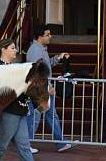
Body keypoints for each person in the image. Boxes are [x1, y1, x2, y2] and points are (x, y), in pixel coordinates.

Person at [0, 38, 55, 161]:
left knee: (23, 145)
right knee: (0, 146)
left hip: (20, 110)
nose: (15, 50)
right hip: (8, 112)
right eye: (12, 48)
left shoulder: (14, 67)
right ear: (3, 50)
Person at [26, 25, 72, 153]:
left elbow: (46, 67)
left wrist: (58, 58)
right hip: (40, 91)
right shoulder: (35, 50)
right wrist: (48, 88)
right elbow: (37, 72)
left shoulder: (41, 49)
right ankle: (26, 144)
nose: (50, 36)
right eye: (47, 34)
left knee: (50, 116)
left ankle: (60, 143)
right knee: (35, 117)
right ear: (40, 36)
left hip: (43, 90)